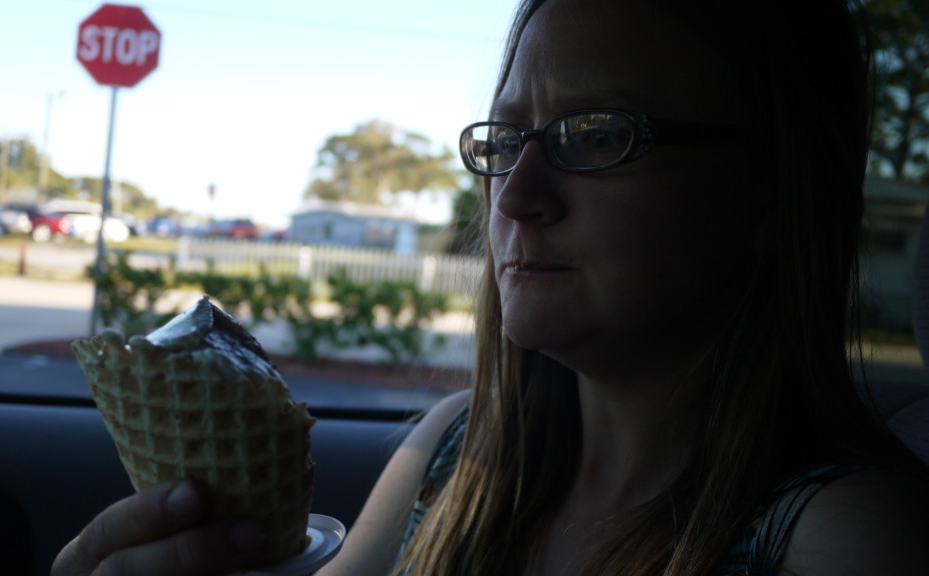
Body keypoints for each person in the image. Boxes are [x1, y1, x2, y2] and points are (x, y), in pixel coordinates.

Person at [52, 0, 929, 574]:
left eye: (596, 134)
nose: (515, 195)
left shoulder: (852, 536)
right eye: (505, 143)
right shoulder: (457, 450)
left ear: (769, 191)